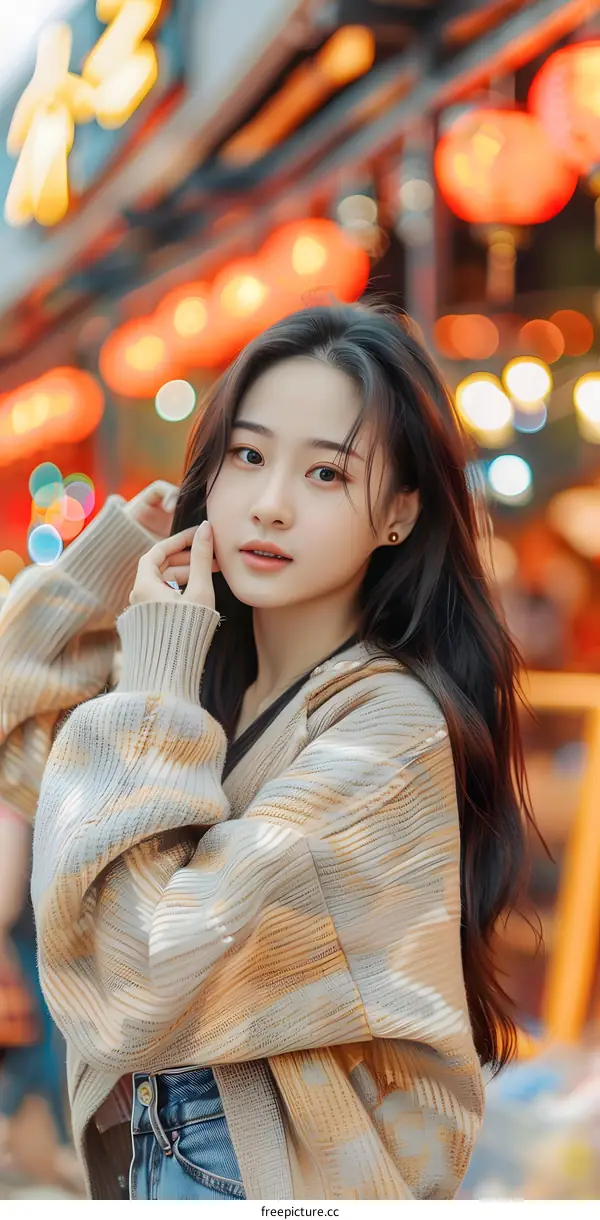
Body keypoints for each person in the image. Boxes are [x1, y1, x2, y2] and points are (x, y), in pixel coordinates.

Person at [0, 303, 533, 1201]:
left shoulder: (387, 733)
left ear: (400, 513)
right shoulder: (203, 689)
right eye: (247, 456)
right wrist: (125, 550)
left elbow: (141, 980)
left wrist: (158, 676)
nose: (271, 503)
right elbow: (16, 713)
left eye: (326, 472)